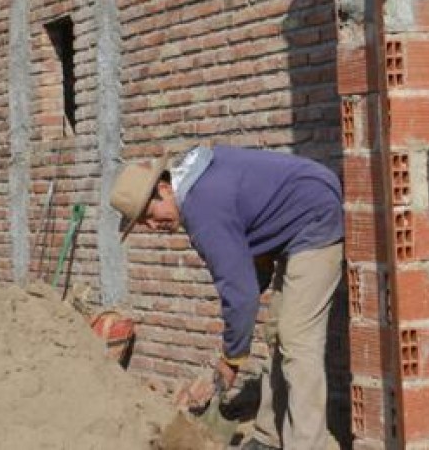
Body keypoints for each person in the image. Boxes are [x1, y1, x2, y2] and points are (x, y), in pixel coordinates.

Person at [112, 145, 344, 450]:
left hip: (314, 217)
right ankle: (268, 437)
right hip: (290, 226)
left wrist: (231, 360)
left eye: (148, 215)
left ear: (164, 188)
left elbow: (240, 292)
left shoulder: (202, 208)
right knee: (276, 332)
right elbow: (245, 265)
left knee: (297, 339)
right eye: (143, 224)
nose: (153, 227)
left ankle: (309, 444)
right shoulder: (195, 192)